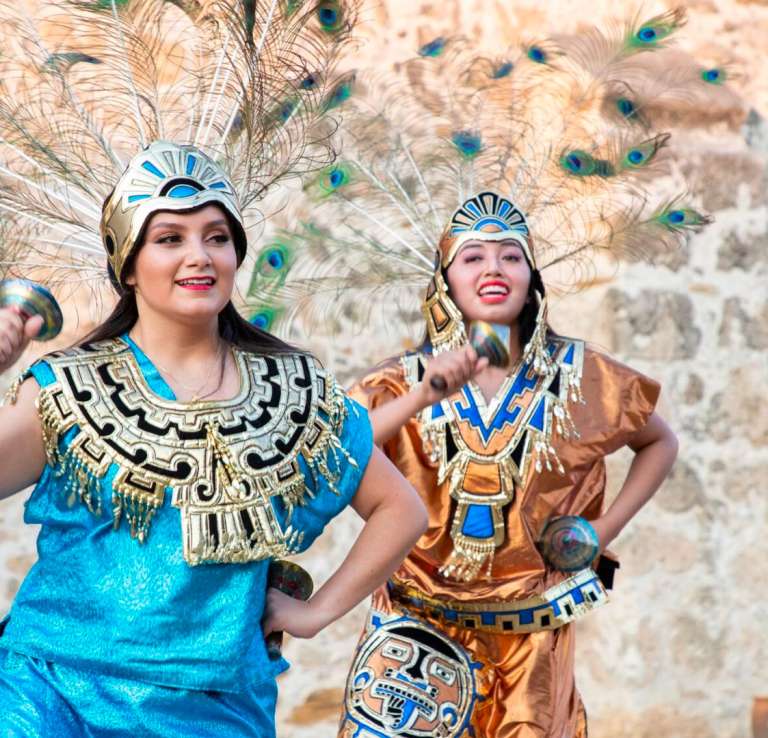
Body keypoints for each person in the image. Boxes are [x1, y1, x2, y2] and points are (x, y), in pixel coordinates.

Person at [259, 18, 714, 737]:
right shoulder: (393, 384)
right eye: (473, 258)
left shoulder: (587, 376)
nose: (493, 270)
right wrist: (424, 395)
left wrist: (600, 532)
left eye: (510, 256)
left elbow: (659, 442)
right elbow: (335, 459)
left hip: (534, 639)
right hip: (414, 638)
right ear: (445, 280)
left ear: (534, 277)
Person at [0, 2, 427, 736]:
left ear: (237, 254)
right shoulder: (66, 389)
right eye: (169, 238)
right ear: (129, 266)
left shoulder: (297, 394)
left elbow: (402, 509)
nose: (198, 256)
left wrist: (318, 610)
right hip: (50, 691)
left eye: (216, 236)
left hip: (211, 706)